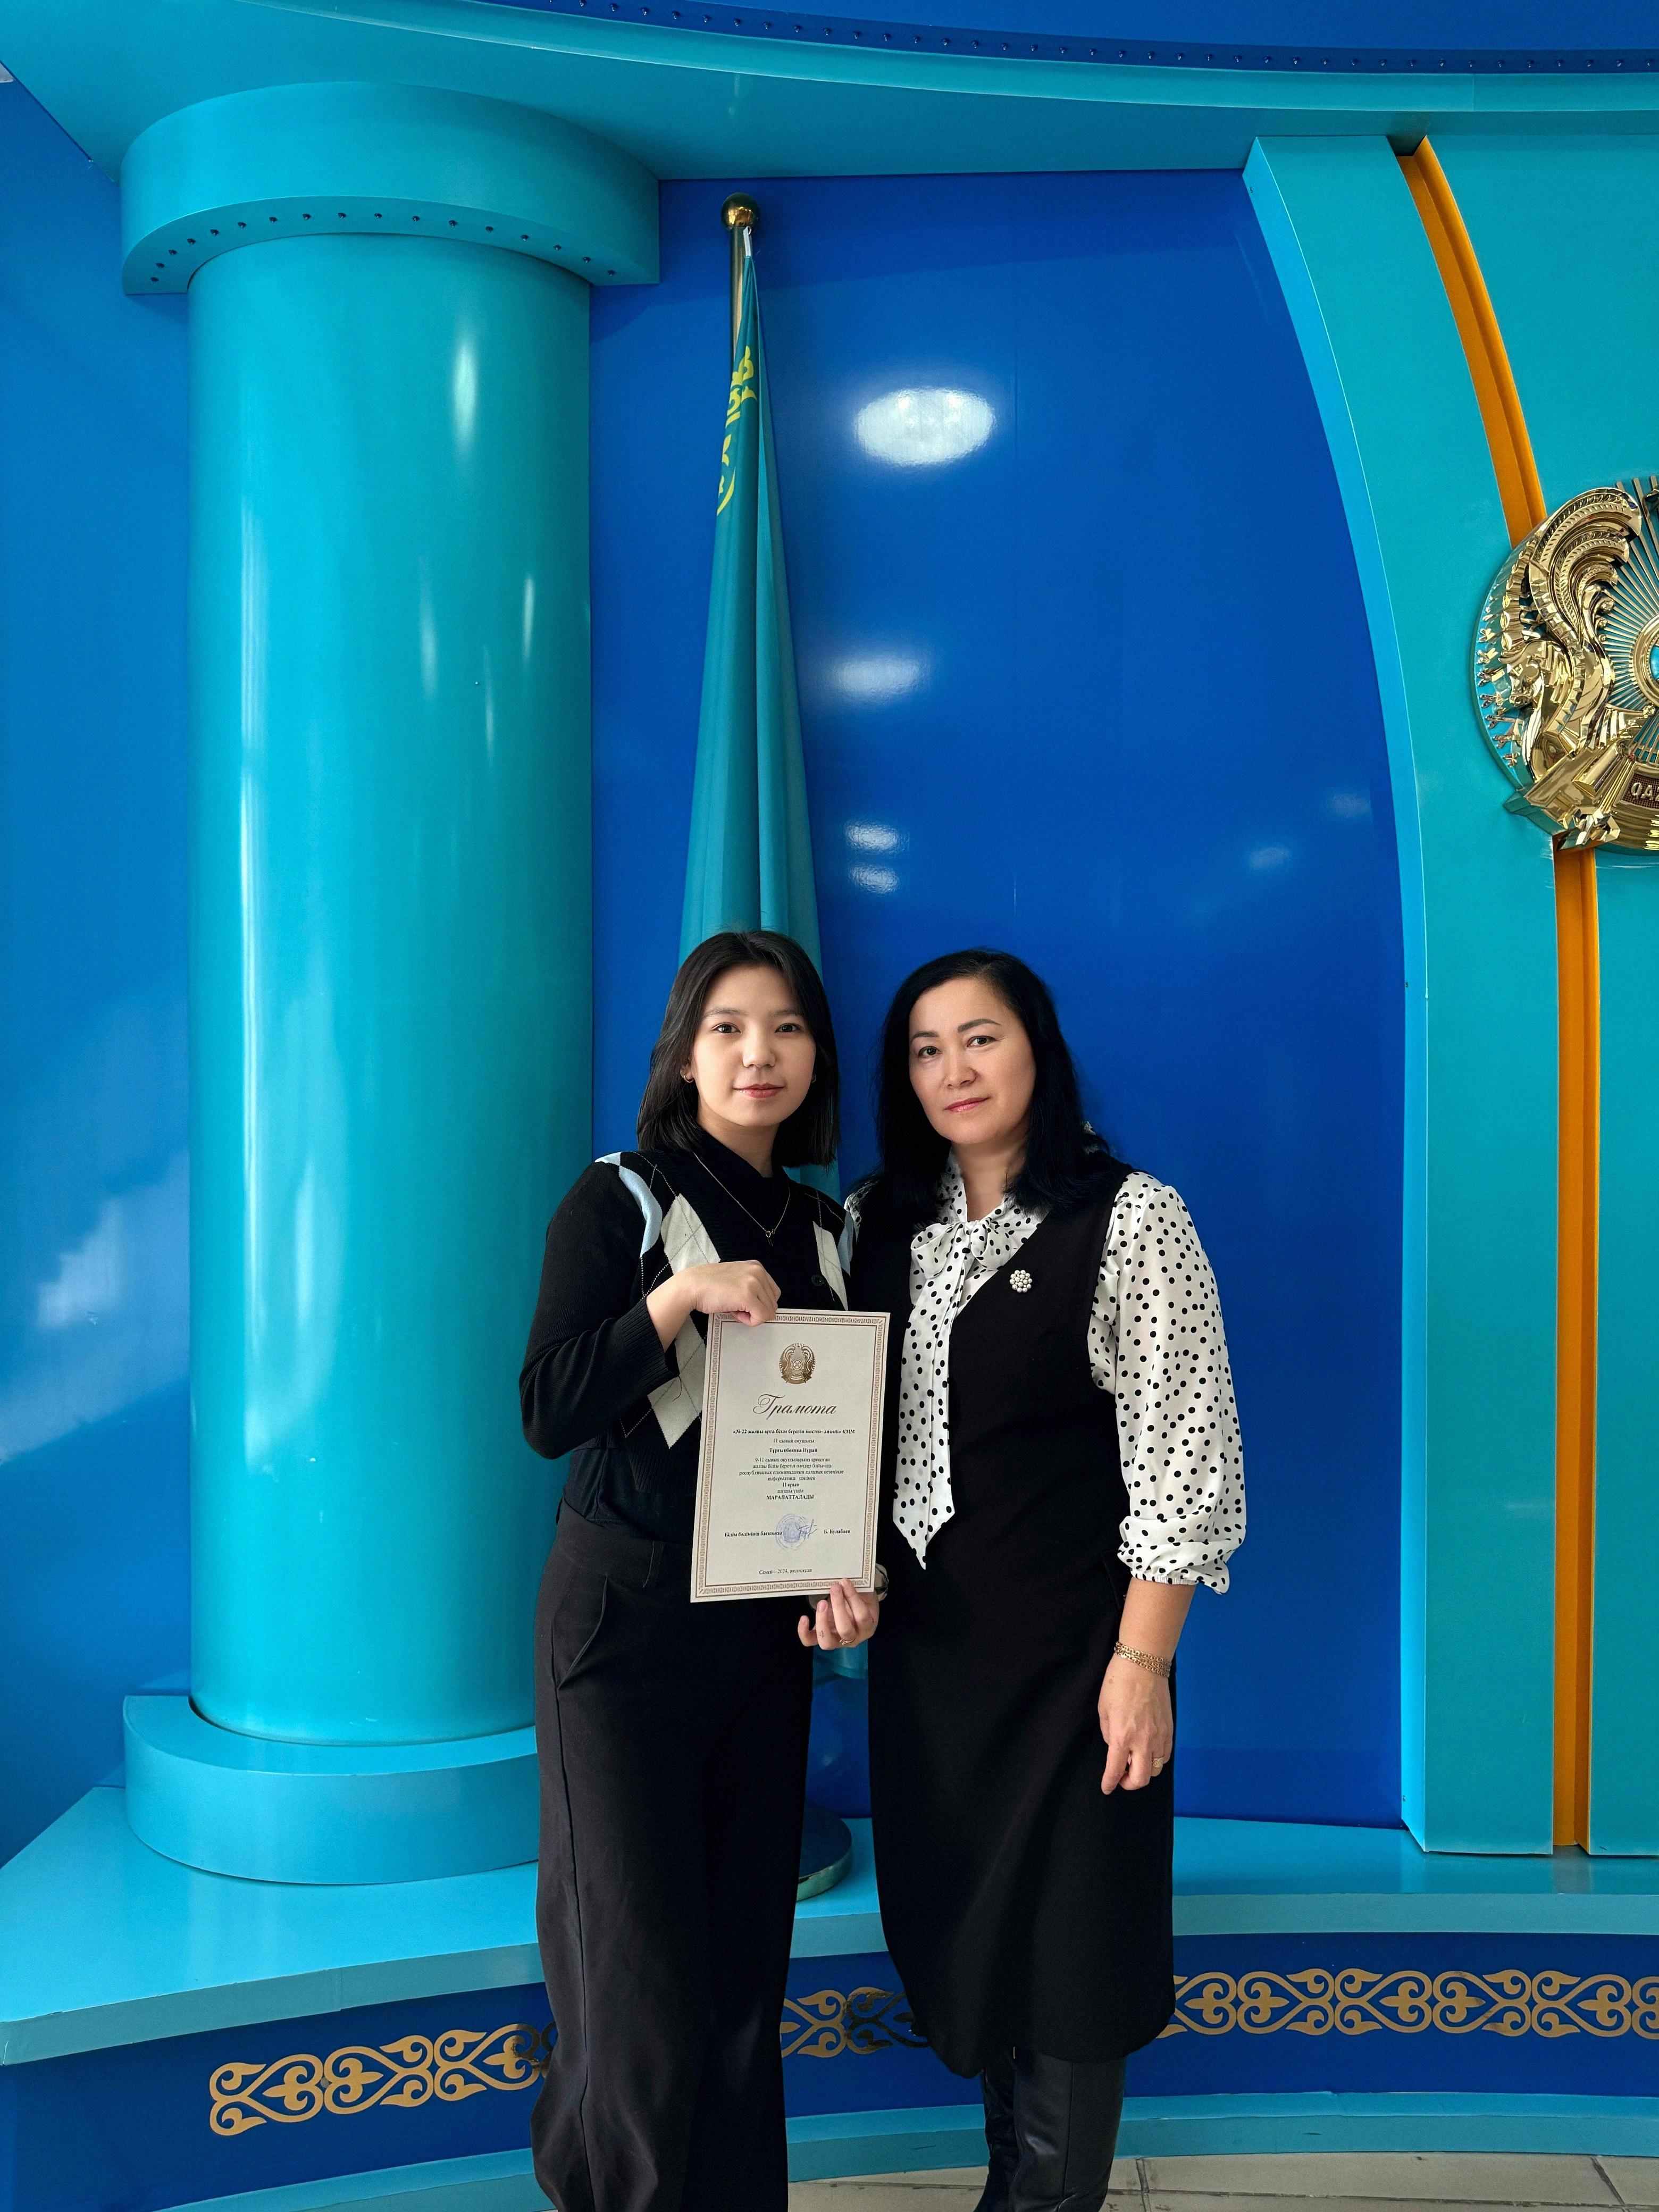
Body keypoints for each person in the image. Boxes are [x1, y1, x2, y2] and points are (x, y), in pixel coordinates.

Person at [847, 949, 1245, 2212]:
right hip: (933, 1673)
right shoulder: (874, 1225)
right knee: (980, 1940)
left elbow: (1187, 1461)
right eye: (925, 1048)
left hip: (1083, 1667)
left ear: (1039, 1050)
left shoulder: (1133, 1219)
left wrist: (1143, 1665)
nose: (953, 1070)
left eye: (981, 1038)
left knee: (1073, 1958)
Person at [520, 929, 879, 2212]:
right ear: (684, 1052)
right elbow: (549, 1406)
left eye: (786, 1026)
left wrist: (849, 1576)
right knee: (633, 1986)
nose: (756, 1052)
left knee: (740, 1985)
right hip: (620, 1636)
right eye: (726, 1026)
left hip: (760, 1646)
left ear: (816, 1056)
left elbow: (843, 1449)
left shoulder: (832, 1231)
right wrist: (676, 1302)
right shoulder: (619, 1198)